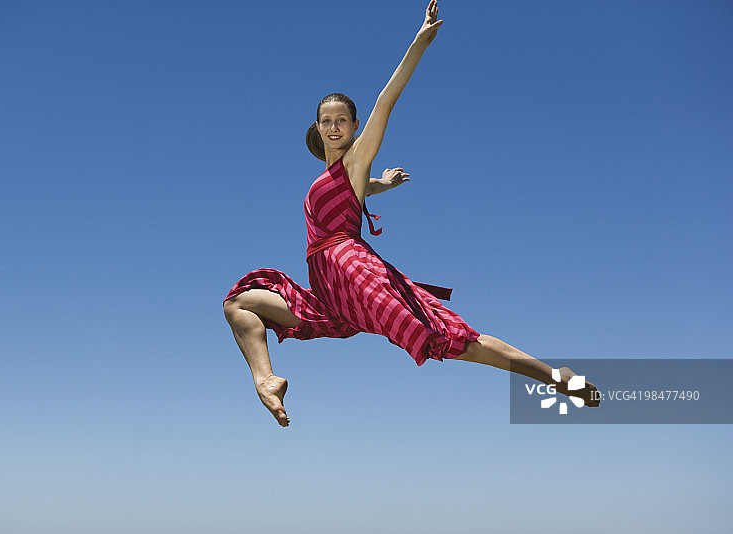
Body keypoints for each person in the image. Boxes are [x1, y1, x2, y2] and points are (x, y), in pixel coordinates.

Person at [223, 1, 598, 427]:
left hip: (351, 271)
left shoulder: (354, 159)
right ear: (317, 126)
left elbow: (386, 101)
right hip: (330, 291)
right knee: (239, 303)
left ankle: (554, 377)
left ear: (354, 125)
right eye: (326, 120)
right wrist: (384, 183)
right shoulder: (338, 175)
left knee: (451, 341)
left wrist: (418, 43)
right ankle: (266, 380)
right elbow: (360, 190)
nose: (333, 127)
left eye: (342, 120)